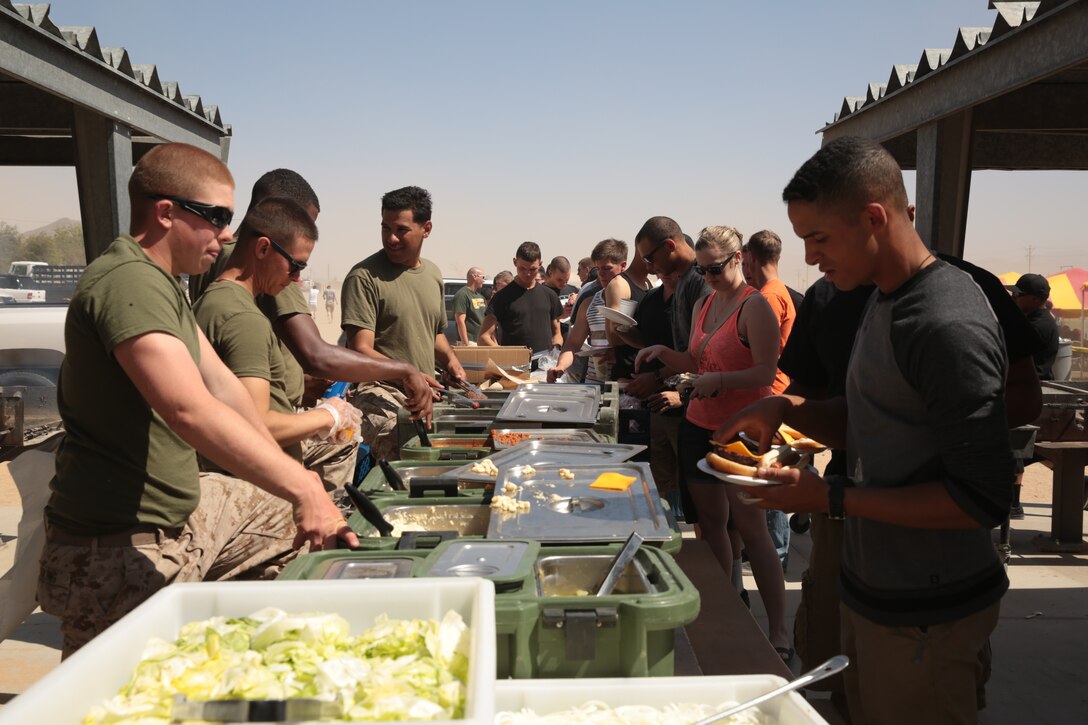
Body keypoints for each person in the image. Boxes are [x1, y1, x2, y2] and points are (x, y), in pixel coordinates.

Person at [717, 136, 1014, 724]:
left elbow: (981, 497)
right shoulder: (882, 298)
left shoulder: (944, 320)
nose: (809, 259)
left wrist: (827, 496)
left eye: (819, 239)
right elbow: (873, 421)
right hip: (873, 593)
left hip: (927, 613)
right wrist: (789, 410)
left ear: (874, 217)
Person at [37, 143, 357, 658]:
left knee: (287, 527)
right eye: (217, 217)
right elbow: (188, 409)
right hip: (117, 547)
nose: (228, 235)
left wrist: (303, 487)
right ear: (166, 212)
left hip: (168, 518)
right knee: (123, 698)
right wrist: (301, 485)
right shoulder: (129, 283)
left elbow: (225, 390)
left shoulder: (163, 284)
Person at [633, 226, 790, 660]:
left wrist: (717, 380)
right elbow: (695, 360)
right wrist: (664, 352)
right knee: (712, 526)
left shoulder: (754, 306)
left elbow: (764, 372)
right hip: (699, 426)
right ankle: (727, 610)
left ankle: (778, 629)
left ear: (739, 259)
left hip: (741, 430)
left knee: (754, 533)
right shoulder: (704, 301)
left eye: (715, 268)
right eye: (702, 270)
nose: (709, 276)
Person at [189, 169, 435, 429]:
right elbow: (316, 355)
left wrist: (294, 379)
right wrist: (405, 371)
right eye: (301, 224)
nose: (296, 277)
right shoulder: (261, 269)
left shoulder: (217, 261)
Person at [193, 198, 362, 495]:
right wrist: (329, 415)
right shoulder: (244, 319)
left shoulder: (214, 301)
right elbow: (257, 426)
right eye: (295, 266)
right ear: (262, 248)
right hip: (259, 487)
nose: (297, 278)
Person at [342, 186, 466, 461]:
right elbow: (361, 350)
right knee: (401, 440)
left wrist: (451, 362)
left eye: (401, 230)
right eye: (385, 228)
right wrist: (405, 373)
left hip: (423, 390)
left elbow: (433, 334)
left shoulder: (432, 274)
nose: (391, 238)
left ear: (426, 228)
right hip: (378, 389)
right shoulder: (364, 277)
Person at [741, 230, 797, 571]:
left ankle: (776, 553)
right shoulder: (774, 293)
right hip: (772, 394)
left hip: (772, 395)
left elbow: (764, 354)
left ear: (752, 259)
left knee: (770, 476)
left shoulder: (770, 297)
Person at [548, 238, 632, 384]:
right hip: (593, 384)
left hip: (625, 387)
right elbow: (573, 344)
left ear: (623, 265)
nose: (601, 274)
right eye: (598, 269)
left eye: (607, 268)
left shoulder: (633, 299)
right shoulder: (589, 304)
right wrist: (560, 366)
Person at [477, 242, 563, 353]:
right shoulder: (501, 297)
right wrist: (506, 356)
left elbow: (557, 334)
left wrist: (555, 351)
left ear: (540, 264)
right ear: (515, 262)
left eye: (532, 269)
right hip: (513, 367)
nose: (527, 274)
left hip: (545, 367)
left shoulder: (550, 295)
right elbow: (483, 337)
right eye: (522, 268)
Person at [1010, 273, 1060, 380]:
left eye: (1017, 294)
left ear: (1035, 299)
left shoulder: (1037, 326)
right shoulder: (1036, 320)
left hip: (1029, 388)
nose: (1013, 297)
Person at [452, 267, 487, 345]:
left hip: (481, 340)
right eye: (483, 277)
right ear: (475, 277)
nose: (484, 280)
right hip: (470, 341)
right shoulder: (462, 295)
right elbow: (460, 321)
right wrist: (465, 344)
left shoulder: (481, 297)